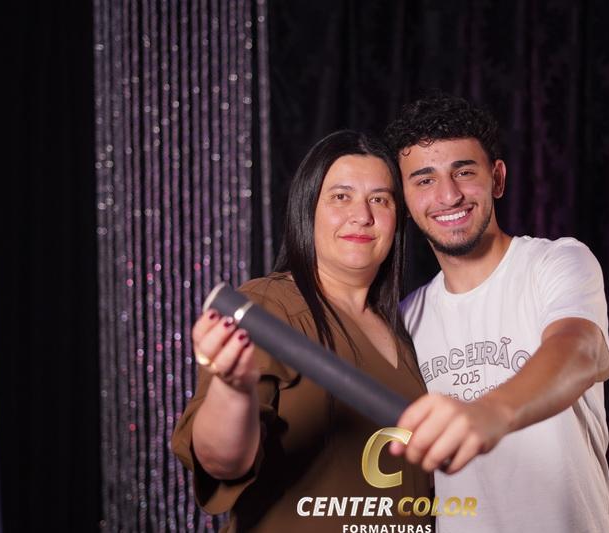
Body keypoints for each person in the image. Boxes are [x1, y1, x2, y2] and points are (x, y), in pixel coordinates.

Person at [171, 130, 432, 532]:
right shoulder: (267, 307)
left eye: (380, 199)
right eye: (341, 196)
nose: (362, 215)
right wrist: (233, 388)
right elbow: (222, 461)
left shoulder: (404, 326)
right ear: (306, 209)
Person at [384, 94, 609, 532]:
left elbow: (581, 349)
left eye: (464, 172)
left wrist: (490, 412)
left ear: (497, 178)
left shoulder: (556, 262)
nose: (448, 195)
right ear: (405, 199)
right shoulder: (404, 320)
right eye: (424, 180)